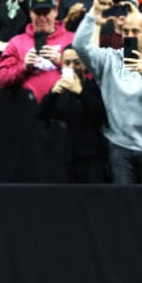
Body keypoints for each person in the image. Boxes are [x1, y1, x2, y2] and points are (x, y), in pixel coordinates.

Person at [73, 0, 142, 185]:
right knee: (122, 207)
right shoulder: (109, 59)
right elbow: (80, 46)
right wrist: (94, 12)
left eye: (135, 32)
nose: (129, 36)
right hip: (119, 146)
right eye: (126, 31)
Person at [38, 45, 108, 183]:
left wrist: (80, 92)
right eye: (67, 63)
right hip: (65, 156)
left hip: (91, 157)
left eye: (77, 62)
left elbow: (102, 115)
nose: (72, 67)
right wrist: (53, 94)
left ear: (84, 64)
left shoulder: (94, 87)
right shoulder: (59, 91)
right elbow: (41, 114)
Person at [0, 0, 75, 104]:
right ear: (30, 13)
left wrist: (62, 62)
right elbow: (2, 80)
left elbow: (89, 75)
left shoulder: (73, 39)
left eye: (46, 11)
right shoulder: (16, 42)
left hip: (65, 107)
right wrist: (24, 67)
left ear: (55, 12)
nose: (42, 17)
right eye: (37, 12)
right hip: (27, 109)